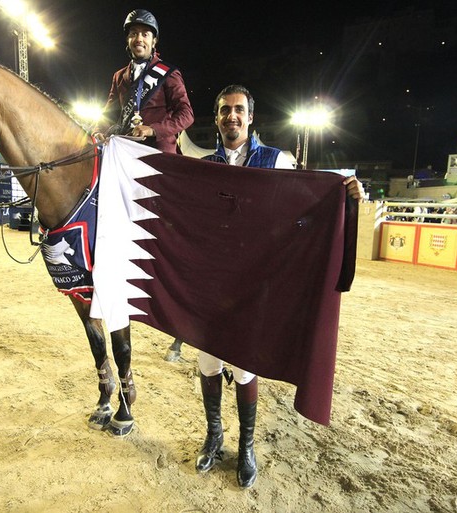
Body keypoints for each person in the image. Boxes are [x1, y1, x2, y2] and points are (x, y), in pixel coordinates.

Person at [191, 84, 364, 489]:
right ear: (215, 119)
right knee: (208, 362)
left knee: (245, 363)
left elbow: (307, 204)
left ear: (251, 117)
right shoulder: (205, 165)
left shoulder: (277, 160)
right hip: (214, 283)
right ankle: (215, 436)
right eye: (223, 111)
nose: (231, 117)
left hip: (255, 286)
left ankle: (247, 445)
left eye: (238, 110)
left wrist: (347, 196)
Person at [93, 9, 194, 154]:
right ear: (128, 39)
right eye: (133, 33)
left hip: (159, 154)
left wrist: (153, 130)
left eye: (145, 34)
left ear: (154, 41)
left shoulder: (168, 72)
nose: (139, 39)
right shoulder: (118, 76)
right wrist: (98, 131)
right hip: (125, 153)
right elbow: (108, 114)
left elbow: (186, 115)